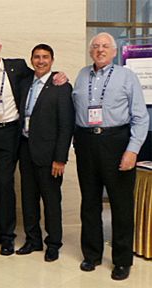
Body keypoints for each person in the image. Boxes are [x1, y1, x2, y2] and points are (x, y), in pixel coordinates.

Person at [0, 34, 66, 255]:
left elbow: (43, 76)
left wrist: (60, 75)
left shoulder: (17, 67)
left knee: (5, 183)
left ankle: (8, 237)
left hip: (11, 131)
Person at [73, 32, 149, 281]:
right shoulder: (82, 75)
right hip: (86, 143)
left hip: (117, 143)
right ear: (90, 51)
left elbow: (140, 117)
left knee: (121, 204)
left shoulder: (127, 76)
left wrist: (132, 150)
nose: (100, 50)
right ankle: (92, 254)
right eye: (95, 46)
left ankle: (122, 260)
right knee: (90, 202)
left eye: (105, 46)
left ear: (115, 51)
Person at [16, 44, 74, 262]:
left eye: (45, 57)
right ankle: (33, 240)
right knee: (28, 199)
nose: (41, 61)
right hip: (25, 149)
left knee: (51, 201)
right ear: (31, 60)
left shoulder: (61, 86)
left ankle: (53, 243)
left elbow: (66, 125)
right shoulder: (25, 83)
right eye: (37, 57)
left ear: (52, 60)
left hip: (50, 156)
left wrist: (60, 158)